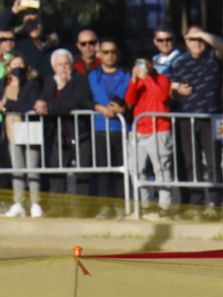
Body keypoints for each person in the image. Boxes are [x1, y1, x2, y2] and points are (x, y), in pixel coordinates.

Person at [168, 27, 223, 216]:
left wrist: (202, 33)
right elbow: (166, 87)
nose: (197, 42)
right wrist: (176, 89)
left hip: (211, 117)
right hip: (186, 118)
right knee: (191, 161)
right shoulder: (179, 62)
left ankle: (214, 203)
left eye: (200, 39)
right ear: (185, 41)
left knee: (214, 162)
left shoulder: (212, 58)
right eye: (192, 39)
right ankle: (195, 203)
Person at [35, 48, 92, 199]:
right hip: (57, 136)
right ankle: (57, 208)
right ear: (54, 67)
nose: (63, 67)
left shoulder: (80, 80)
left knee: (82, 175)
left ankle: (83, 209)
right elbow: (43, 100)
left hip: (79, 133)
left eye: (66, 64)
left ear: (72, 65)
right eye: (59, 65)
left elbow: (76, 101)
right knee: (57, 175)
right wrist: (42, 103)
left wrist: (54, 102)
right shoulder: (48, 82)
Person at [124, 56, 175, 217]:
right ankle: (143, 204)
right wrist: (134, 80)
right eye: (138, 64)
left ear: (151, 65)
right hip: (139, 129)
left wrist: (147, 78)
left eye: (145, 64)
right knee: (135, 168)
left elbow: (162, 97)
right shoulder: (136, 81)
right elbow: (129, 101)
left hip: (159, 129)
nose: (142, 67)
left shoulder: (163, 79)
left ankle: (164, 207)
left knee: (161, 168)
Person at [84, 37, 130, 213]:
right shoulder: (92, 76)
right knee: (102, 170)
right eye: (106, 52)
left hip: (121, 129)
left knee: (121, 169)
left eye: (113, 52)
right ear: (99, 54)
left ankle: (120, 204)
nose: (110, 56)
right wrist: (98, 108)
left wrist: (123, 108)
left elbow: (133, 99)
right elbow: (84, 98)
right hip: (99, 128)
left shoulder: (126, 75)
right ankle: (104, 205)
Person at [3, 58, 44, 216]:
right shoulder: (3, 83)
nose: (18, 67)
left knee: (32, 167)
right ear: (8, 66)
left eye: (21, 64)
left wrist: (7, 105)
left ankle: (35, 202)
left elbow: (29, 105)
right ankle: (18, 202)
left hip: (28, 127)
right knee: (17, 169)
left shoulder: (31, 82)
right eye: (15, 64)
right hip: (10, 129)